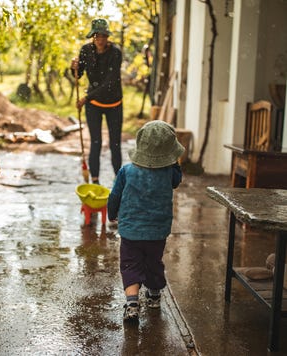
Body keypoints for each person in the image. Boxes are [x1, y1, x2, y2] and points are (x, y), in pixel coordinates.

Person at [107, 120, 185, 322]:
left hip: (131, 231)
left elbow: (114, 196)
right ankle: (154, 295)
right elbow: (177, 181)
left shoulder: (126, 171)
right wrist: (174, 162)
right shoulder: (169, 172)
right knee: (153, 263)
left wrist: (111, 213)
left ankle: (132, 303)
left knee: (130, 265)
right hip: (157, 231)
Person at [71, 19, 123, 185]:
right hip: (94, 105)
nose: (100, 39)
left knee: (115, 143)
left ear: (108, 37)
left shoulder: (115, 53)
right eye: (97, 36)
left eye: (103, 36)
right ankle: (95, 181)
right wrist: (74, 68)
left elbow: (110, 82)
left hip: (114, 103)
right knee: (96, 142)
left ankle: (118, 179)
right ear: (93, 36)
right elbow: (78, 76)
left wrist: (86, 98)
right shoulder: (86, 51)